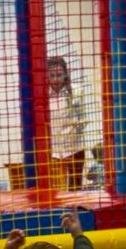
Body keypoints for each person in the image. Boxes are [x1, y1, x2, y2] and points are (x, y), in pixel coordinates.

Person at [48, 56, 86, 190]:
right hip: (53, 151)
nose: (56, 79)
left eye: (59, 75)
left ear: (65, 74)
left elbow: (83, 116)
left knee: (75, 188)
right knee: (56, 191)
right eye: (52, 75)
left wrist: (78, 125)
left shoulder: (76, 90)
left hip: (74, 148)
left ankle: (75, 210)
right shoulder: (43, 94)